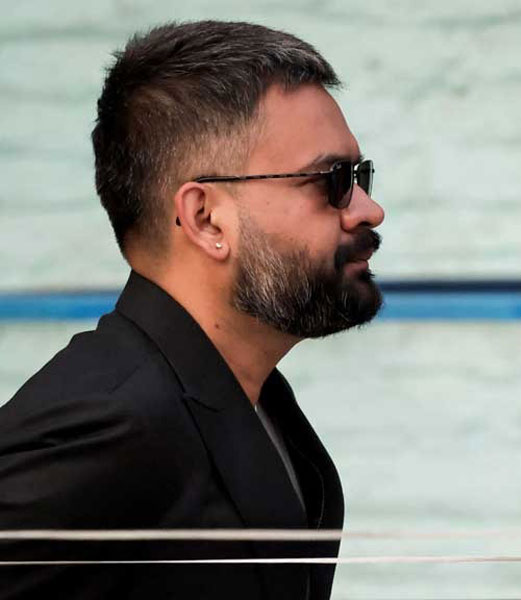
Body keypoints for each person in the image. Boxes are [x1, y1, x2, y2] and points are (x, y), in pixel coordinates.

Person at [0, 20, 385, 600]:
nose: (368, 210)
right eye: (332, 181)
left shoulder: (254, 402)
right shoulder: (112, 421)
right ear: (206, 219)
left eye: (360, 177)